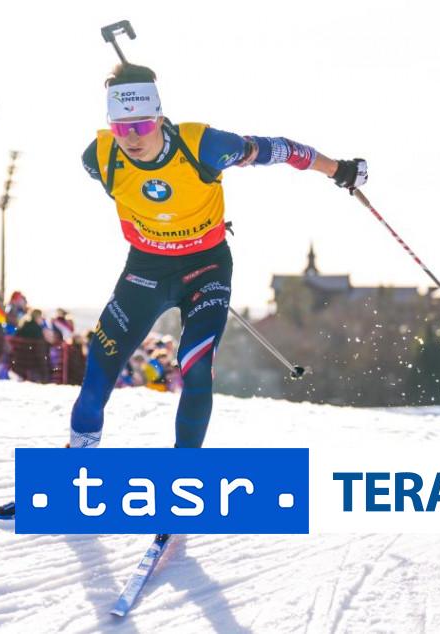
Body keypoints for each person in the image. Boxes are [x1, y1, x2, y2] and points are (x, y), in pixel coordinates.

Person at [68, 63, 368, 449]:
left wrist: (338, 169)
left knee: (195, 370)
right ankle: (77, 465)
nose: (132, 137)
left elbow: (280, 149)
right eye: (120, 127)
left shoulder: (205, 147)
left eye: (141, 124)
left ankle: (185, 472)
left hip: (205, 268)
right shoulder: (98, 158)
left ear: (159, 117)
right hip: (146, 269)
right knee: (98, 373)